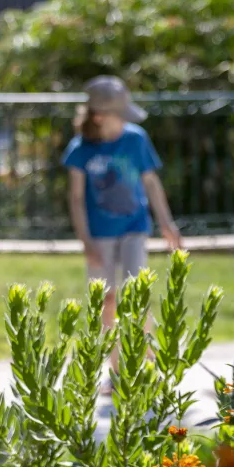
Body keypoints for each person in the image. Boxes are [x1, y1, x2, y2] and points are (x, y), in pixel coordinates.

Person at [64, 75, 182, 388]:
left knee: (136, 295)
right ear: (100, 116)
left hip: (134, 228)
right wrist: (85, 242)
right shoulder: (80, 148)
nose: (125, 121)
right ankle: (116, 372)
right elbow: (76, 199)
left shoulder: (136, 139)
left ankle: (150, 366)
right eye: (120, 114)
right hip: (99, 235)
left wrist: (167, 223)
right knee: (107, 300)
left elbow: (151, 183)